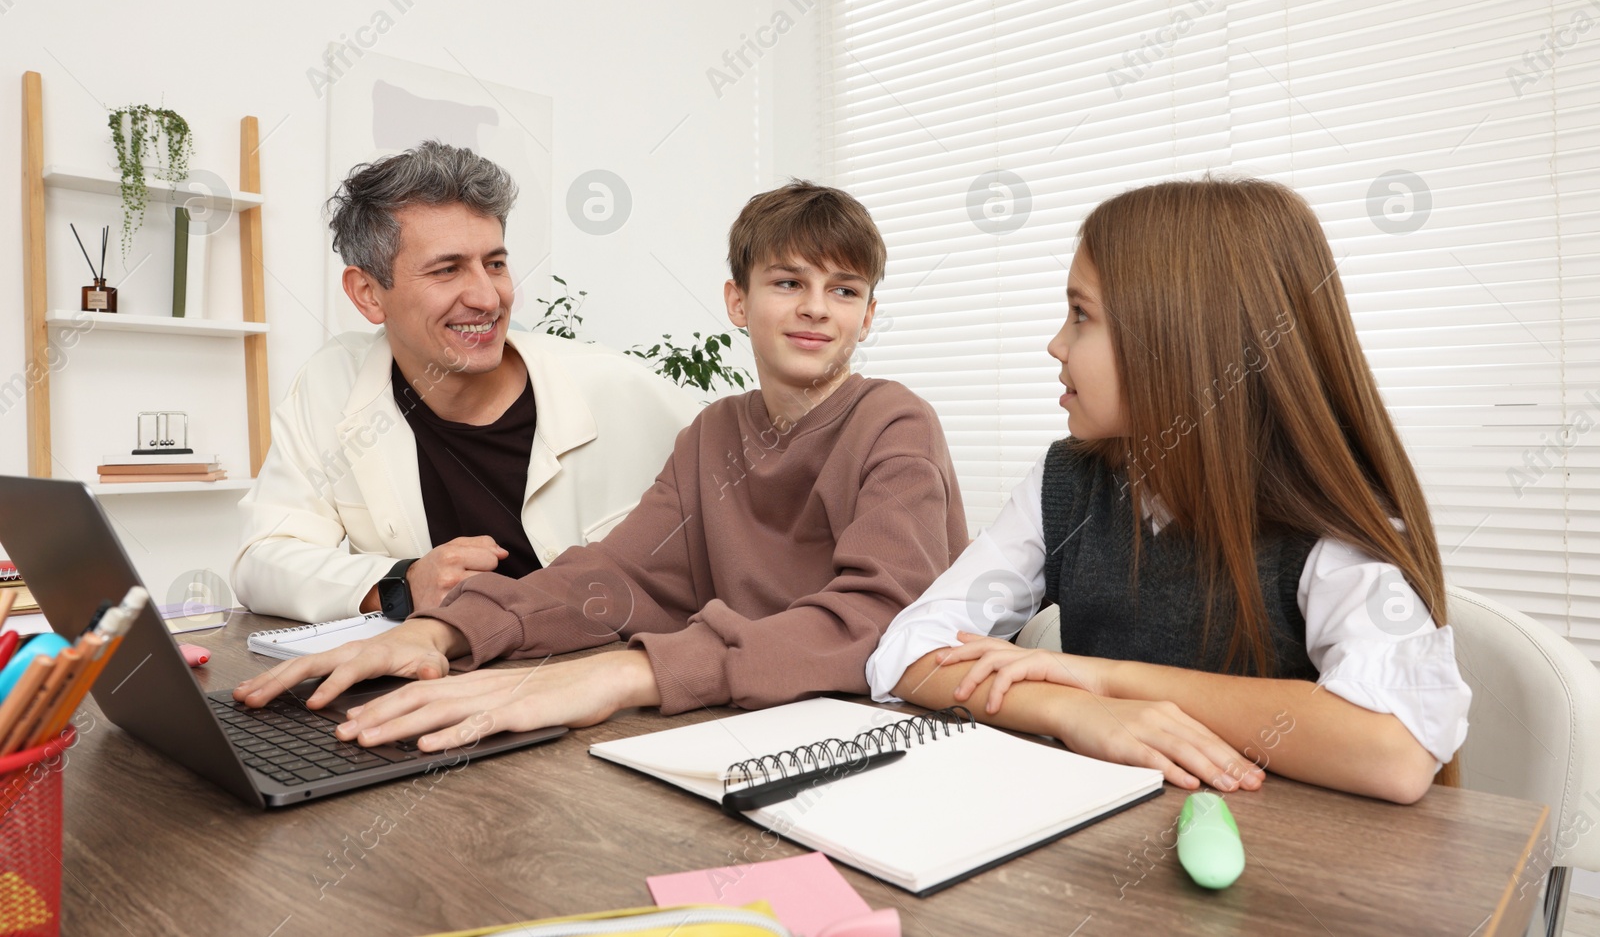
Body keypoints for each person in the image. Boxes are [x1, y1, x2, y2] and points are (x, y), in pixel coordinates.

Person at [235, 181, 968, 752]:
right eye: (788, 283)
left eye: (844, 290)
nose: (816, 309)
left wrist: (627, 672)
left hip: (881, 739)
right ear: (737, 301)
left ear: (868, 316)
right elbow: (620, 577)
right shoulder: (713, 432)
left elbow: (881, 619)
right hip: (747, 727)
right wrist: (445, 631)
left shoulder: (895, 422)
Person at [867, 176, 1471, 806]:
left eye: (1081, 315)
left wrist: (1107, 683)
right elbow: (909, 651)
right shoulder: (1067, 482)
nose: (1056, 344)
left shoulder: (1329, 521)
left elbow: (1395, 749)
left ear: (1181, 339)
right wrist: (1073, 712)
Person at [232, 142, 700, 625]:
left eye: (495, 264)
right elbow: (262, 559)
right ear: (368, 294)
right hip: (447, 684)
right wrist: (403, 583)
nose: (486, 297)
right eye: (447, 270)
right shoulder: (332, 383)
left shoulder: (621, 389)